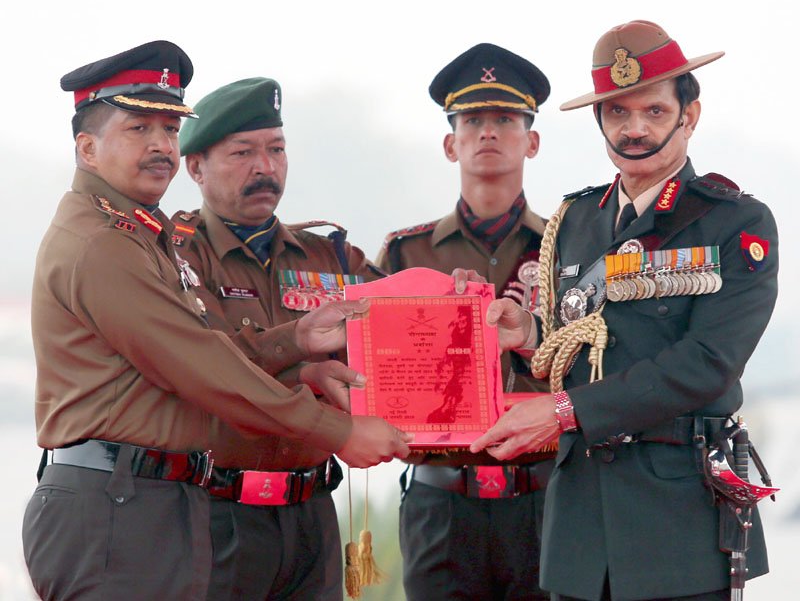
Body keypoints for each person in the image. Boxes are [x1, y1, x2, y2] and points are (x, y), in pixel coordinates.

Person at [22, 42, 411, 601]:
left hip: (153, 504)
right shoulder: (102, 246)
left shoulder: (137, 236)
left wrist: (294, 343)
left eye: (169, 128)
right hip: (118, 507)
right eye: (138, 128)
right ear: (88, 148)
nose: (161, 146)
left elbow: (202, 352)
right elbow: (202, 368)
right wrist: (340, 431)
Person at [470, 20, 779, 601]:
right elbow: (581, 345)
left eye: (655, 112)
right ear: (600, 121)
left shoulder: (736, 221)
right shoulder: (576, 219)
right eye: (617, 114)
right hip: (580, 525)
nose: (634, 130)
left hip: (676, 522)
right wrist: (529, 333)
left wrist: (563, 412)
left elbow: (707, 362)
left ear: (689, 116)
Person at [175, 76, 385, 600]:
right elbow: (207, 365)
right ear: (195, 167)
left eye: (276, 149)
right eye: (243, 152)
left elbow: (402, 320)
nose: (264, 167)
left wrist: (451, 297)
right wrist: (303, 364)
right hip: (214, 518)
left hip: (312, 515)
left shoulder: (331, 258)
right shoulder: (176, 256)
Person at [376, 43, 554, 600]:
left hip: (546, 497)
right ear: (451, 144)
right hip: (441, 502)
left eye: (506, 119)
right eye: (472, 120)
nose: (489, 133)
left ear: (533, 140)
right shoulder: (405, 255)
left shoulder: (569, 248)